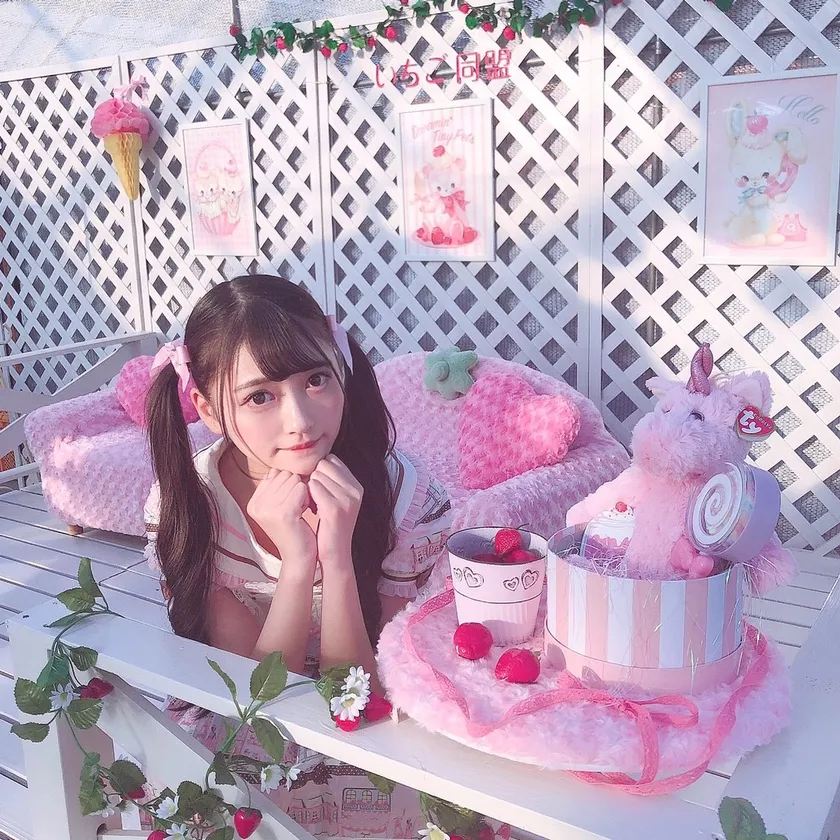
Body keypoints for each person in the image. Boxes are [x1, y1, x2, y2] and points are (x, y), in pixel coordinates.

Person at [142, 275, 456, 837]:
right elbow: (257, 701)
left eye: (315, 380)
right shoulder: (189, 506)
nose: (301, 421)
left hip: (371, 714)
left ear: (341, 370)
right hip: (247, 714)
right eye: (259, 396)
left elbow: (359, 692)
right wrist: (296, 566)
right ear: (208, 410)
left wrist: (337, 557)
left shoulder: (404, 496)